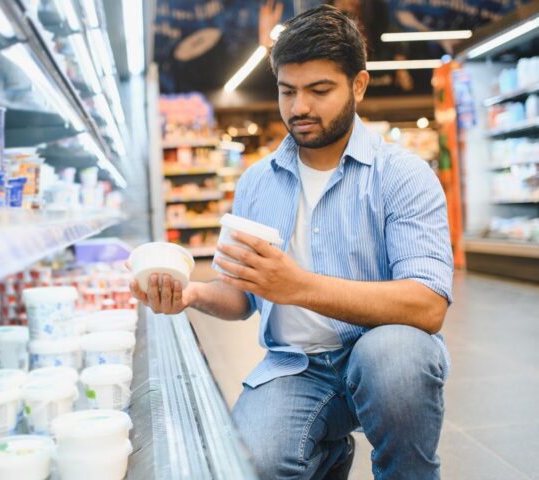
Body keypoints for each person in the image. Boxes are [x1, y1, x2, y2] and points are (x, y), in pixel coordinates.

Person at [130, 5, 453, 479]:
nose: (299, 107)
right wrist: (192, 293)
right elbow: (241, 297)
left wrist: (296, 286)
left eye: (320, 90)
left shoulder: (403, 176)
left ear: (358, 86)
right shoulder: (257, 183)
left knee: (397, 359)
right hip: (295, 367)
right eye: (287, 91)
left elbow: (427, 305)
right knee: (251, 463)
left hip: (380, 354)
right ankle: (327, 454)